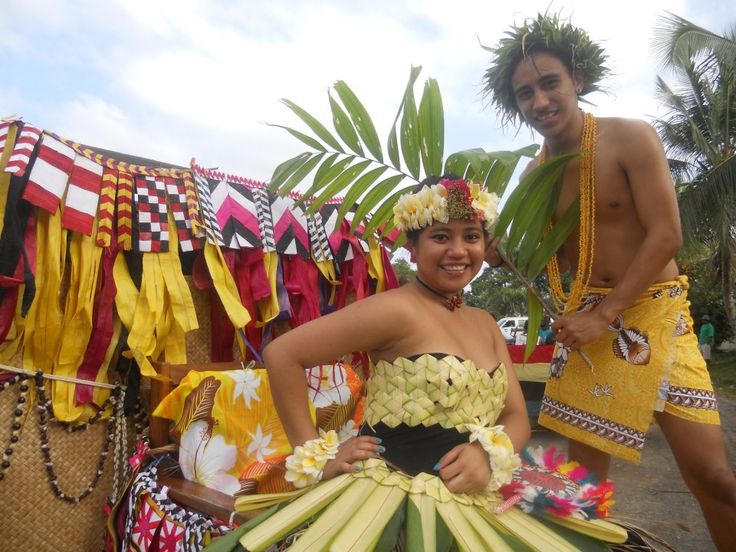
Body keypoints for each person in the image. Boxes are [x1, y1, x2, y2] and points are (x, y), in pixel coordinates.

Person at [221, 176, 629, 550]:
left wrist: (487, 455)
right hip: (387, 499)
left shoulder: (486, 323)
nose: (457, 250)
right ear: (413, 249)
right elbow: (283, 355)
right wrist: (318, 456)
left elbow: (516, 415)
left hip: (480, 500)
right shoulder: (395, 310)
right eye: (440, 237)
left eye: (471, 236)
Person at [482, 13, 736, 550]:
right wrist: (488, 245)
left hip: (655, 315)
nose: (540, 101)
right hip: (586, 329)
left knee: (713, 478)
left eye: (549, 83)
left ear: (577, 79)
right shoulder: (534, 176)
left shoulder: (629, 138)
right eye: (525, 93)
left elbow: (666, 236)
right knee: (584, 490)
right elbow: (519, 255)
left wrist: (606, 313)